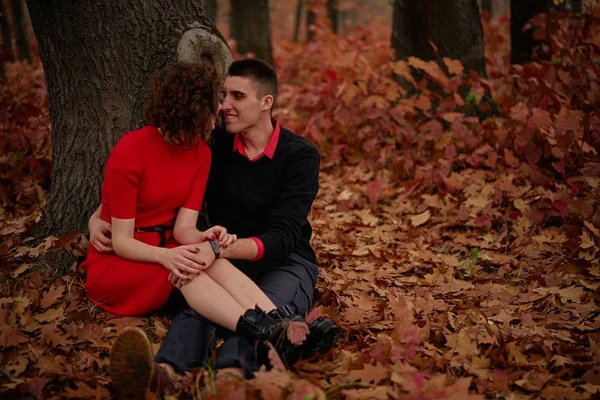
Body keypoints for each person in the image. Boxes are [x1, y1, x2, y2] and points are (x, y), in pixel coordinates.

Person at [89, 59, 341, 399]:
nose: (225, 106)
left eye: (237, 96)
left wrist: (217, 249)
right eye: (223, 96)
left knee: (272, 306)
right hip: (221, 251)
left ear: (265, 103)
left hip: (284, 259)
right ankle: (164, 372)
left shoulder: (299, 156)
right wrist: (97, 217)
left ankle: (230, 375)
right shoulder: (212, 142)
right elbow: (143, 179)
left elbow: (282, 239)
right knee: (202, 307)